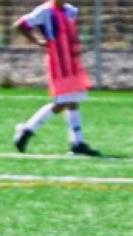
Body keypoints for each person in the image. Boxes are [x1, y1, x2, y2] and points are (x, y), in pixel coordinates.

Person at [11, 0, 100, 156]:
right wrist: (38, 41)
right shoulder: (44, 11)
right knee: (61, 102)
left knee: (73, 101)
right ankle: (27, 129)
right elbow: (20, 25)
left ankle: (77, 142)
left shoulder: (70, 11)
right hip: (58, 63)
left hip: (72, 62)